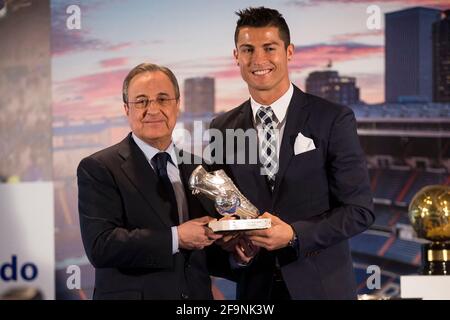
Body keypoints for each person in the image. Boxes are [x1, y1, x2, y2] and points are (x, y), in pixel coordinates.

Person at [209, 7, 375, 299]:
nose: (258, 59)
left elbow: (359, 211)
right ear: (236, 56)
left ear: (288, 52)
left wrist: (295, 235)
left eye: (269, 48)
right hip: (255, 290)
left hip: (322, 290)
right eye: (248, 49)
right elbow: (221, 208)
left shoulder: (333, 118)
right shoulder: (221, 128)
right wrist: (232, 244)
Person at [77, 63, 223, 300]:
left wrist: (236, 255)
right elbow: (101, 246)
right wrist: (177, 237)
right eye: (141, 101)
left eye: (163, 99)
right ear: (126, 109)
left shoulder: (200, 167)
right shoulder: (98, 168)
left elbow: (203, 250)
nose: (153, 109)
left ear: (177, 104)